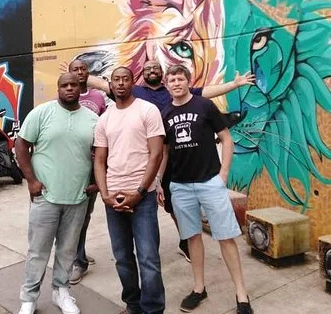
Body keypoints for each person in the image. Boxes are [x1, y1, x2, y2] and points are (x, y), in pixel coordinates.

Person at [87, 60, 254, 261]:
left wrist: (234, 84)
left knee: (176, 203)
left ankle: (185, 240)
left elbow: (206, 92)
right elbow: (103, 84)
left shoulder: (172, 90)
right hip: (150, 159)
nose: (152, 70)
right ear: (141, 75)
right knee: (165, 201)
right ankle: (182, 238)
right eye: (147, 68)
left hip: (176, 155)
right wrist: (81, 75)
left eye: (155, 68)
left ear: (161, 73)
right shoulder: (135, 91)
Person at [160, 65, 253, 313]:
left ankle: (241, 294)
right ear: (166, 85)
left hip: (210, 182)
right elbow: (165, 151)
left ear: (188, 82)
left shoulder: (204, 106)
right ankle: (199, 288)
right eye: (172, 80)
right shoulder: (165, 112)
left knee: (225, 237)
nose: (176, 83)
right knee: (192, 237)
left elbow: (226, 138)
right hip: (180, 186)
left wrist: (224, 174)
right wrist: (159, 181)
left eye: (180, 79)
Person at [15, 72, 99, 314]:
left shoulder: (92, 119)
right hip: (46, 196)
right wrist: (31, 180)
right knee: (38, 251)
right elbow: (21, 144)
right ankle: (29, 298)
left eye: (74, 85)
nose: (69, 88)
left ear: (80, 88)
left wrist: (96, 182)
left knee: (67, 250)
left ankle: (61, 291)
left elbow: (100, 153)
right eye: (65, 85)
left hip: (78, 197)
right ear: (58, 88)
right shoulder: (41, 113)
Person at [94, 66, 166, 314]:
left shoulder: (147, 110)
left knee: (148, 258)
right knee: (123, 257)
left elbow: (156, 154)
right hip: (114, 197)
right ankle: (133, 306)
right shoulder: (104, 118)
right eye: (116, 79)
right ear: (111, 84)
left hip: (142, 196)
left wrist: (140, 191)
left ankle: (153, 309)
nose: (121, 83)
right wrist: (105, 195)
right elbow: (99, 160)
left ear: (133, 82)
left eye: (125, 79)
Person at [67, 59, 107, 285]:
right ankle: (78, 260)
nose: (80, 72)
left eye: (83, 69)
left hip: (94, 164)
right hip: (74, 165)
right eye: (75, 69)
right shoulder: (65, 97)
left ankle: (79, 253)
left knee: (86, 213)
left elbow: (105, 128)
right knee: (76, 215)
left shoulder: (98, 97)